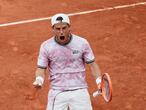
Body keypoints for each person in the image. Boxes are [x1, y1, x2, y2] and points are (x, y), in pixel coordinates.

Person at [33, 13, 101, 110]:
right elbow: (41, 68)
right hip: (57, 91)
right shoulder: (46, 46)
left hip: (79, 90)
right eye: (58, 29)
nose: (61, 32)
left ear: (69, 27)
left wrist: (99, 82)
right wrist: (39, 79)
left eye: (64, 28)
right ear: (53, 29)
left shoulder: (82, 43)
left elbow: (92, 64)